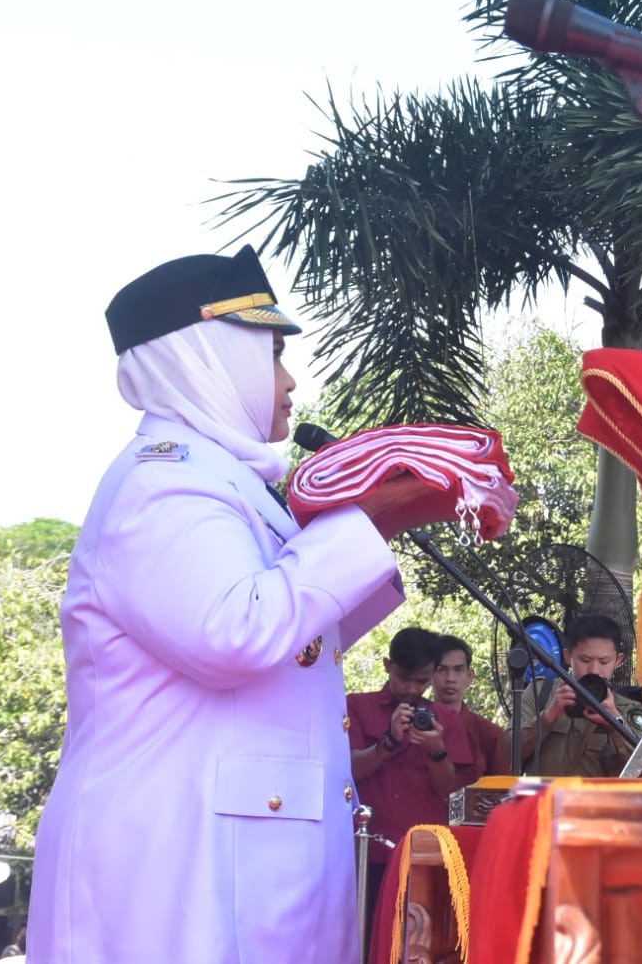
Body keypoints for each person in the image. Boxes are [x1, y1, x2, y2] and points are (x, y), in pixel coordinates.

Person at [28, 247, 456, 963]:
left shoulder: (225, 481)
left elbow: (296, 641)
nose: (290, 382)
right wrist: (362, 526)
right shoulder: (163, 484)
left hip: (241, 847)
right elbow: (234, 632)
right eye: (274, 353)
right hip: (174, 857)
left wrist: (374, 529)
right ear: (205, 359)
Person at [347, 627, 472, 931]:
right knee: (362, 940)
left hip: (423, 853)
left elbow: (449, 790)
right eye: (405, 678)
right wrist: (387, 743)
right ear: (388, 666)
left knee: (417, 945)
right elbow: (349, 771)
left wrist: (436, 750)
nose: (413, 690)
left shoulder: (447, 719)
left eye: (423, 682)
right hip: (368, 852)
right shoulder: (357, 707)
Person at [510, 614, 642, 777]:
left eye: (604, 662)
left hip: (598, 802)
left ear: (618, 661)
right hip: (545, 800)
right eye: (585, 660)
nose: (594, 670)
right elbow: (507, 752)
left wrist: (616, 724)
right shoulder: (540, 692)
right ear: (568, 656)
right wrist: (549, 717)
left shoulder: (628, 709)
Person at [432, 632, 510, 787]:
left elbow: (502, 795)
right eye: (441, 669)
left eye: (458, 670)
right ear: (429, 674)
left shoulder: (490, 734)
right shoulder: (414, 726)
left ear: (470, 676)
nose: (450, 679)